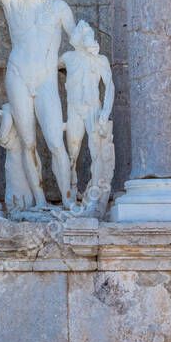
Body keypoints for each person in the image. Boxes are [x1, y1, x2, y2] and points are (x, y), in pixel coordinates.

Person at [0, 0, 76, 208]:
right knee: (28, 142)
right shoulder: (13, 5)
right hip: (18, 76)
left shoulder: (58, 7)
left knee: (55, 142)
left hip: (46, 79)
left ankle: (69, 201)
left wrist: (72, 62)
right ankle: (40, 201)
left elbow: (77, 40)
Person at [59, 20, 115, 211]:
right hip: (74, 108)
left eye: (86, 33)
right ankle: (70, 195)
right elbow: (47, 70)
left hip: (93, 108)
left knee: (96, 150)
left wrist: (105, 112)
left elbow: (110, 86)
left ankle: (97, 195)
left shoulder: (100, 60)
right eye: (80, 33)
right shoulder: (67, 58)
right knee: (72, 152)